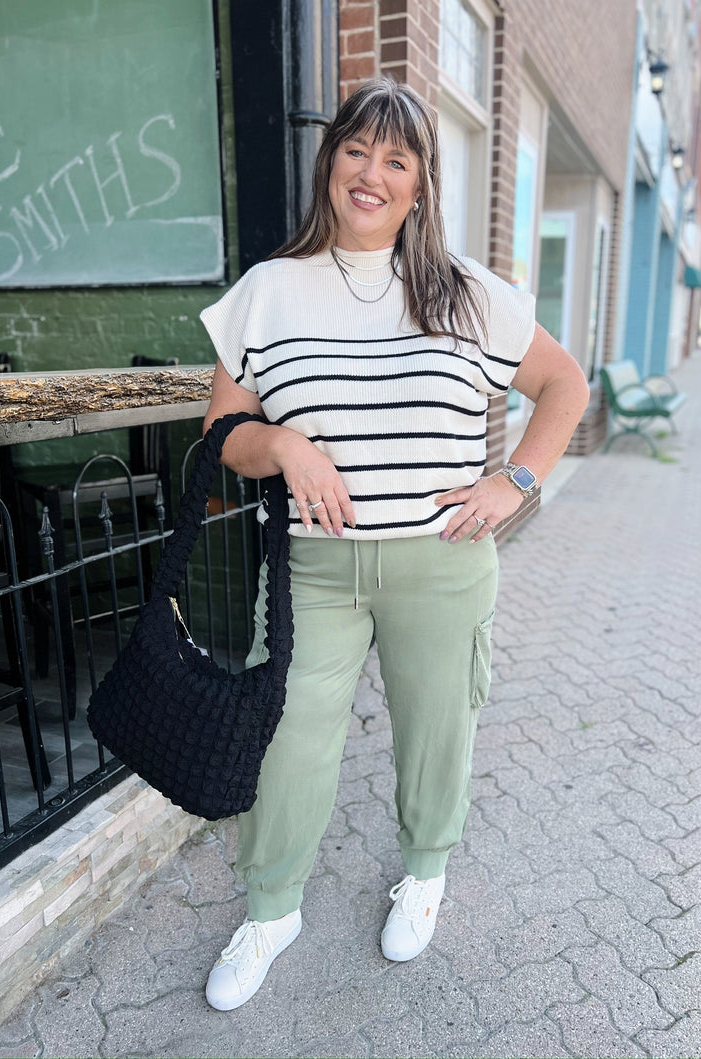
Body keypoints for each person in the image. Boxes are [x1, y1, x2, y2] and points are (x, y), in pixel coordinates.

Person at [199, 76, 589, 1011]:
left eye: (397, 160)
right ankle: (270, 908)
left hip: (441, 562)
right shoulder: (267, 292)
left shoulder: (469, 294)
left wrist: (515, 482)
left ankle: (424, 871)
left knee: (436, 728)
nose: (372, 174)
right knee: (288, 738)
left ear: (421, 184)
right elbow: (220, 440)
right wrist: (286, 444)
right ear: (330, 161)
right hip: (313, 569)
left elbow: (565, 384)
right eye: (357, 151)